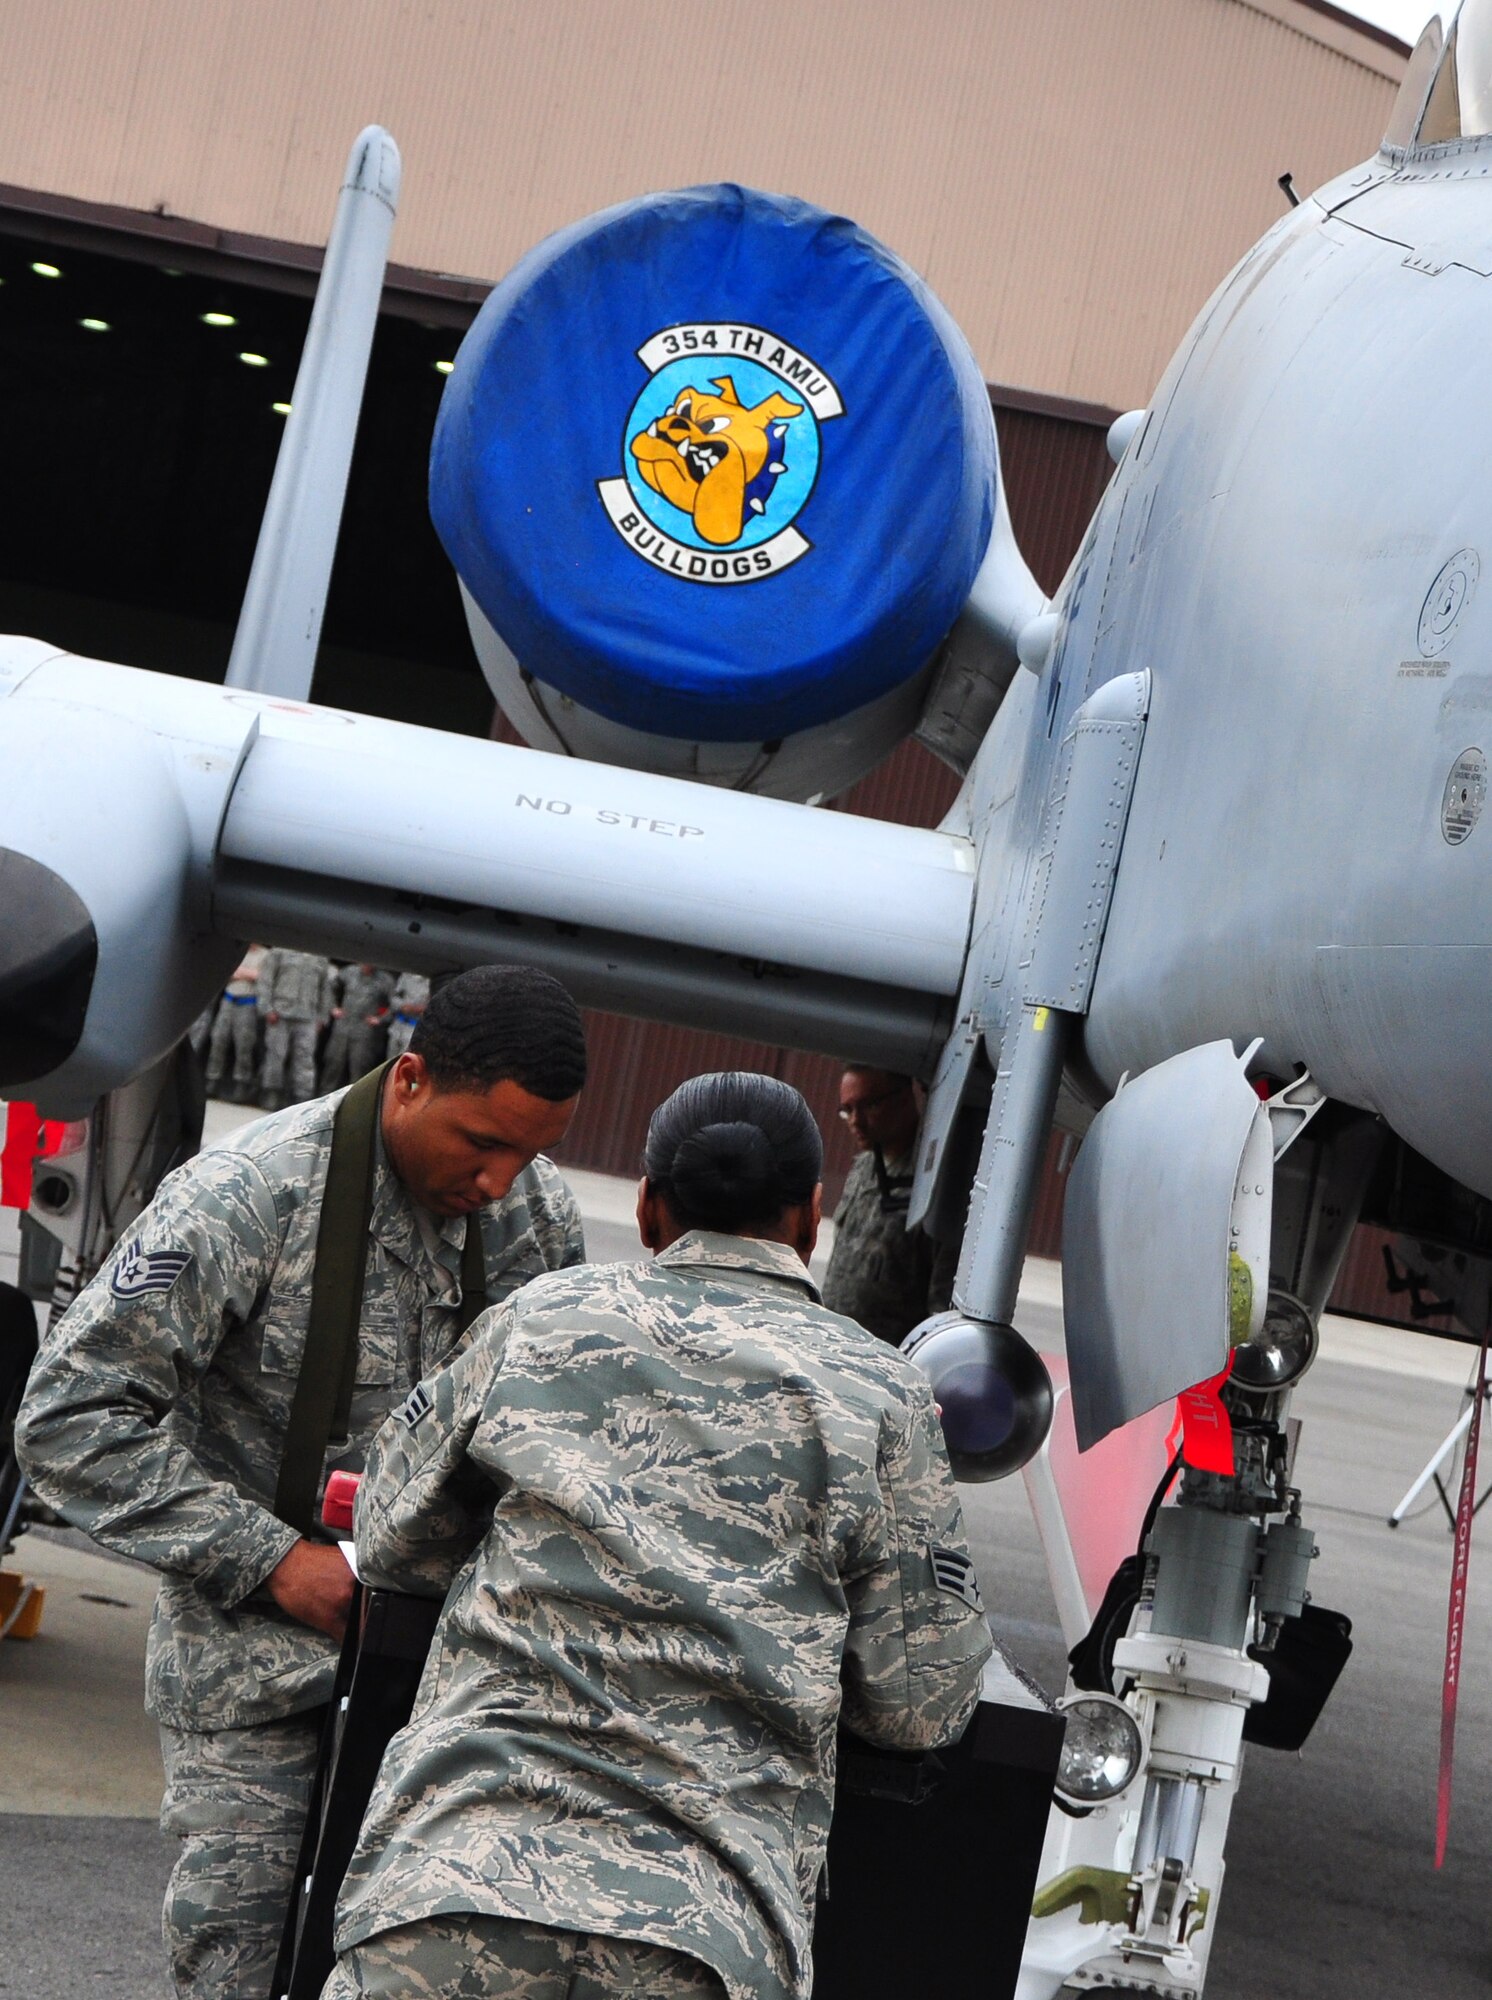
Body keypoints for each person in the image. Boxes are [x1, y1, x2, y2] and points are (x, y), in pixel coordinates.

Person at [323, 1070, 991, 2000]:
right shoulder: (883, 1395)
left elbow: (391, 1534)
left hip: (454, 1885)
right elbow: (920, 1704)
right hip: (700, 1932)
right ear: (810, 1216)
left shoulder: (537, 1320)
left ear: (646, 1207)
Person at [15, 963, 590, 2000]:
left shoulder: (535, 1219)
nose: (500, 1182)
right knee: (239, 1953)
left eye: (530, 1151)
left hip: (449, 1682)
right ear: (409, 1079)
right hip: (258, 1666)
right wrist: (276, 1561)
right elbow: (69, 1417)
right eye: (481, 1142)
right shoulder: (250, 1194)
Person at [821, 1065, 956, 1345]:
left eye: (869, 1105)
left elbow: (941, 1307)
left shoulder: (934, 1182)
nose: (855, 1121)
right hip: (832, 1342)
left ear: (905, 1097)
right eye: (847, 1110)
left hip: (884, 1355)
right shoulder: (863, 1167)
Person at [258, 948, 336, 1108]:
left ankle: (302, 1097)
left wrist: (322, 1017)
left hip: (308, 1016)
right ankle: (272, 1092)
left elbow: (325, 989)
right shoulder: (279, 951)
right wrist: (267, 1008)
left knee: (305, 1058)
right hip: (280, 1012)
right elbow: (266, 980)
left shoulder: (320, 957)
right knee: (276, 1055)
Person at [203, 943, 266, 1103]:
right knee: (218, 1040)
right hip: (229, 1000)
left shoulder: (265, 955)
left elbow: (260, 976)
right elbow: (225, 971)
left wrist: (240, 972)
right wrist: (248, 973)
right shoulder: (236, 950)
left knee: (243, 1045)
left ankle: (241, 1084)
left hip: (248, 1002)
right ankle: (212, 1080)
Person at [320, 963, 396, 1091]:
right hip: (343, 1025)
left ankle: (355, 1099)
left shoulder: (385, 980)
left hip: (364, 1029)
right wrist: (333, 1007)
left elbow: (395, 1002)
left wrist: (381, 1019)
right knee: (333, 1064)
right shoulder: (349, 972)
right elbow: (328, 987)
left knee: (359, 1068)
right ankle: (325, 1095)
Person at [384, 970, 430, 1059]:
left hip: (414, 1029)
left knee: (404, 1060)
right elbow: (393, 997)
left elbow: (436, 1005)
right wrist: (402, 1006)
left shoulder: (432, 980)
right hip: (398, 1025)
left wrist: (416, 1009)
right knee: (389, 1060)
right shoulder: (406, 975)